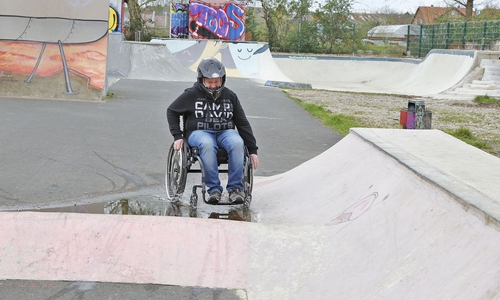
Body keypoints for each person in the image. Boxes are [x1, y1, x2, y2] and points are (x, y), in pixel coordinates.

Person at [167, 57, 259, 204]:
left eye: (217, 82)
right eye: (209, 82)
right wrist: (177, 135)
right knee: (207, 143)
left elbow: (242, 123)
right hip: (199, 133)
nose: (213, 86)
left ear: (223, 79)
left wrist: (253, 150)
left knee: (237, 142)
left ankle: (235, 189)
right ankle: (214, 189)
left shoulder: (230, 96)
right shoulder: (191, 94)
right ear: (201, 79)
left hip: (225, 132)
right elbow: (172, 111)